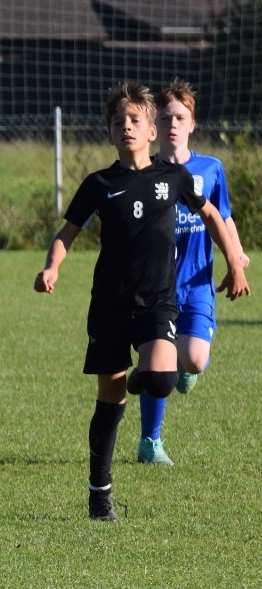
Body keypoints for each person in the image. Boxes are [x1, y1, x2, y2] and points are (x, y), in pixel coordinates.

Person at [34, 83, 247, 521]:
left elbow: (211, 215)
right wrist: (52, 267)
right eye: (118, 122)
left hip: (157, 302)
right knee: (109, 400)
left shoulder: (174, 178)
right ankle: (99, 493)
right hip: (110, 305)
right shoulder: (99, 184)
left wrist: (234, 262)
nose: (126, 127)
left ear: (152, 131)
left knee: (162, 380)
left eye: (134, 120)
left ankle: (144, 374)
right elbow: (66, 232)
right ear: (110, 133)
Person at [136, 79, 250, 466]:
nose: (173, 124)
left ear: (192, 124)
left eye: (180, 117)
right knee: (159, 361)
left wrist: (236, 256)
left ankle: (185, 366)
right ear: (154, 125)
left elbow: (223, 217)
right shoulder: (145, 172)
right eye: (165, 117)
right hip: (156, 287)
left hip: (198, 282)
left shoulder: (210, 169)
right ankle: (150, 442)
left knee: (195, 360)